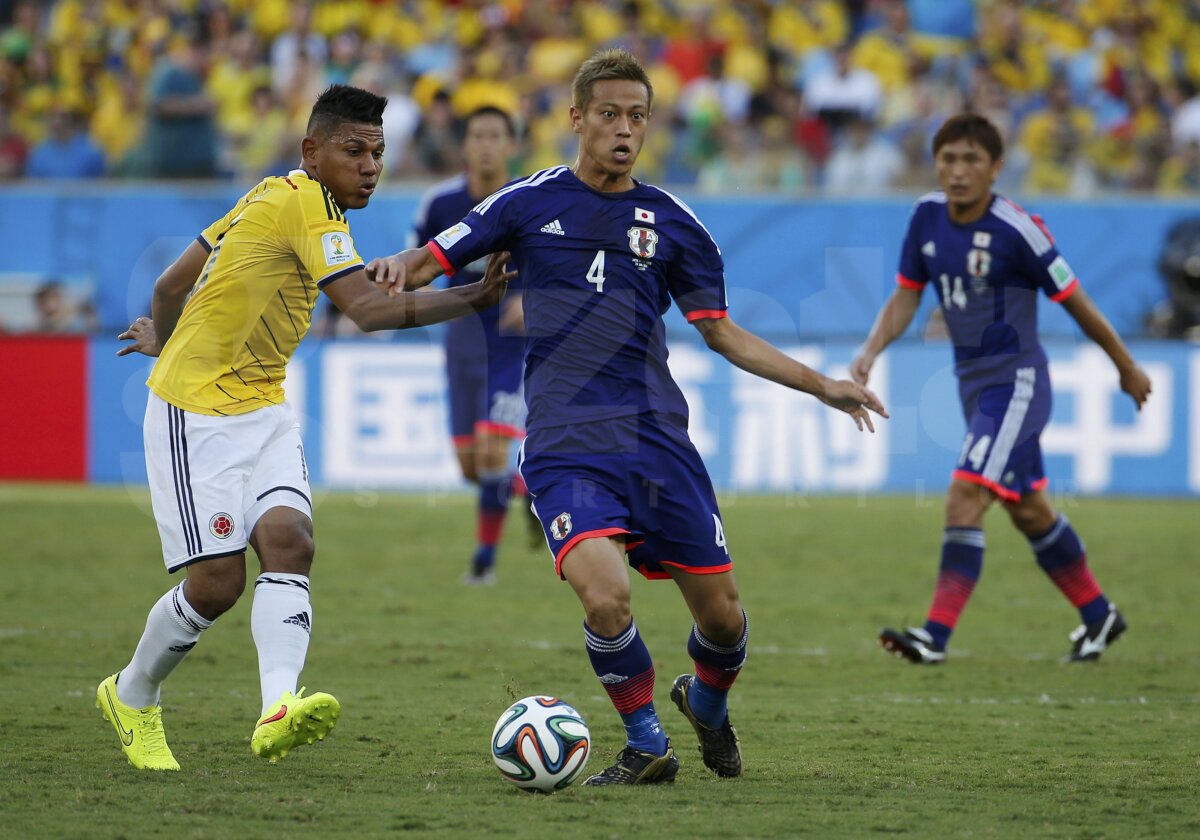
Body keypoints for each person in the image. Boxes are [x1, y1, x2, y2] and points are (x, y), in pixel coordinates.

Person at [368, 49, 886, 785]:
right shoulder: (527, 201)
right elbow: (432, 257)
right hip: (564, 442)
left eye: (636, 116)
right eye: (608, 114)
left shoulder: (674, 224)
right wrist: (396, 266)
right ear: (576, 118)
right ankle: (647, 742)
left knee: (724, 619)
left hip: (655, 442)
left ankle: (705, 705)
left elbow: (723, 330)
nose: (623, 129)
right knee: (606, 596)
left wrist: (822, 386)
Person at [99, 84, 512, 772]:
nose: (371, 166)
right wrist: (476, 294)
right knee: (217, 586)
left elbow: (174, 285)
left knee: (290, 541)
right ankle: (132, 693)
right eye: (354, 151)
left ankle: (276, 709)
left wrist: (169, 334)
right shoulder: (304, 206)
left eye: (378, 153)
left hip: (263, 407)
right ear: (312, 152)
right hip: (194, 413)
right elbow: (369, 313)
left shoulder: (276, 192)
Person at [850, 113, 1152, 666]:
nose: (958, 171)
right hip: (974, 389)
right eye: (948, 159)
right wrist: (870, 351)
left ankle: (934, 637)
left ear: (996, 167)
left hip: (1016, 387)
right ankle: (1098, 614)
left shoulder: (1019, 229)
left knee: (965, 492)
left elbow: (1078, 303)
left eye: (971, 160)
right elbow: (906, 295)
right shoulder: (925, 217)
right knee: (1029, 510)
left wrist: (1125, 366)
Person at [410, 106, 536, 585]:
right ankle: (525, 486)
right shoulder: (440, 204)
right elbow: (419, 260)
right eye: (477, 135)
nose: (485, 144)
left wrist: (532, 298)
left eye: (495, 136)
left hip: (509, 340)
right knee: (470, 467)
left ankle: (484, 562)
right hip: (461, 336)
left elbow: (555, 260)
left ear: (511, 145)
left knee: (489, 453)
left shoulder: (530, 199)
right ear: (465, 146)